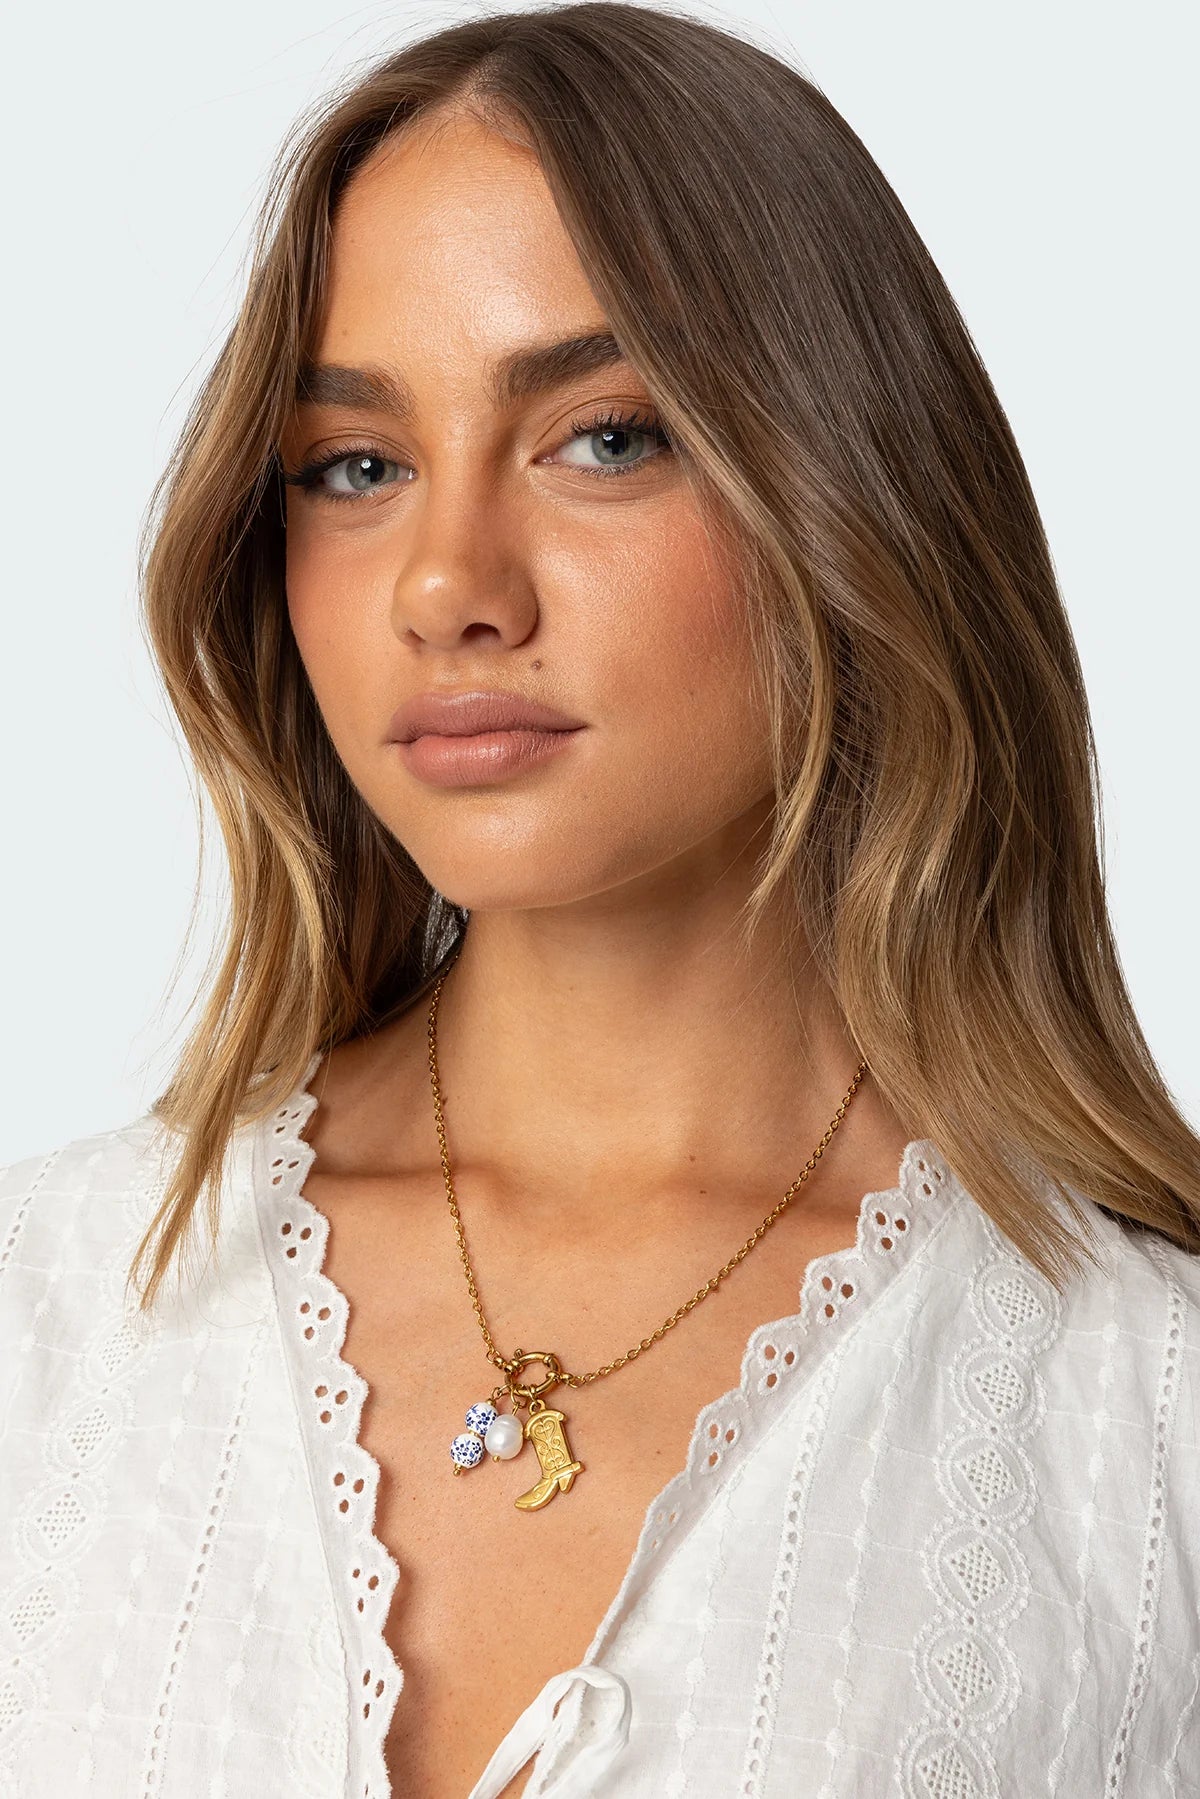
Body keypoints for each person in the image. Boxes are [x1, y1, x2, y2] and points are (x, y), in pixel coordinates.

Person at [2, 4, 1197, 1795]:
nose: (446, 586)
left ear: (850, 493)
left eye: (606, 438)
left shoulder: (1144, 1413)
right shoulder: (48, 1309)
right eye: (358, 467)